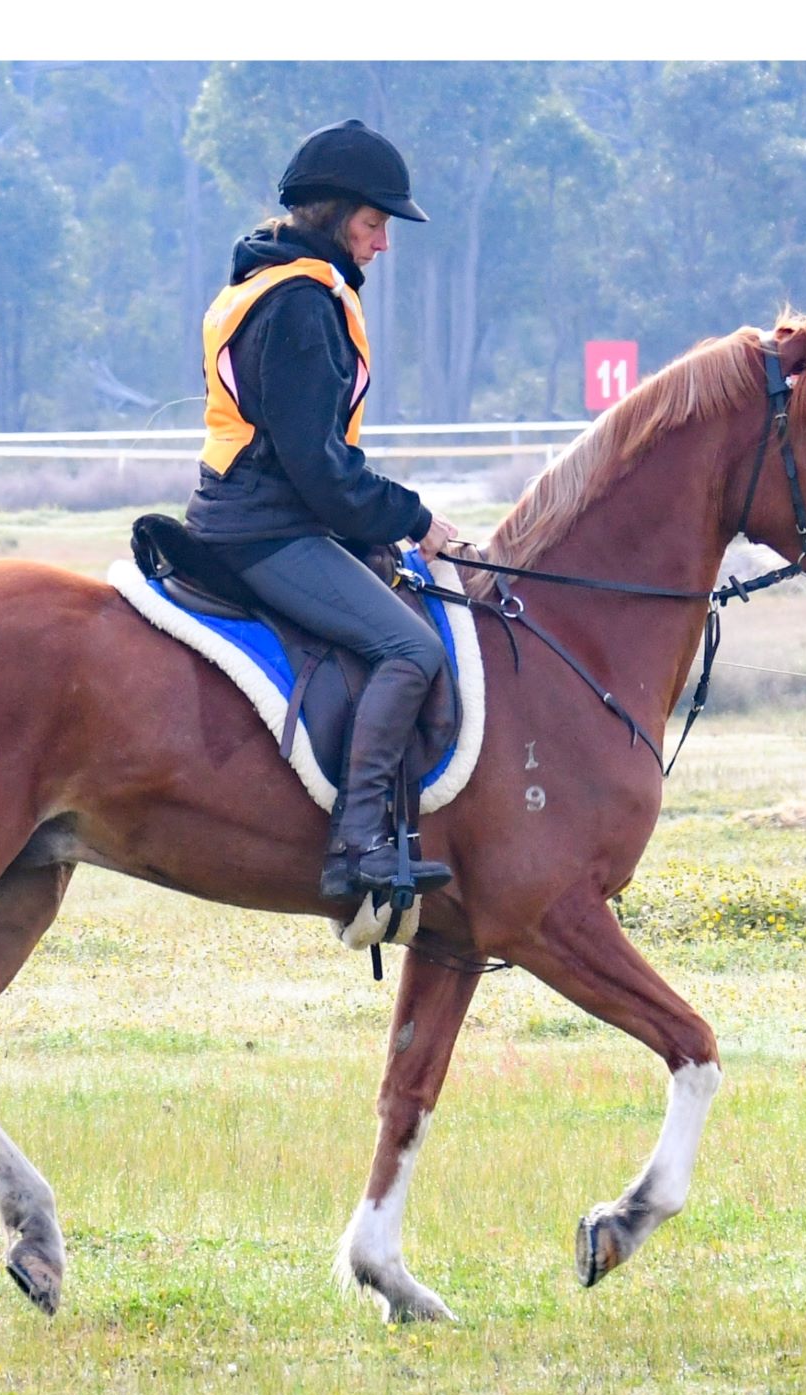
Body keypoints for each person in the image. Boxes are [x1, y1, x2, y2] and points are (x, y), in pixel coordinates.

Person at [185, 123, 471, 908]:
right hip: (267, 527)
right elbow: (317, 468)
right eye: (375, 224)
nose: (382, 244)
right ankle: (361, 843)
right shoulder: (302, 303)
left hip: (253, 512)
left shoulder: (265, 282)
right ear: (336, 215)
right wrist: (412, 519)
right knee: (411, 651)